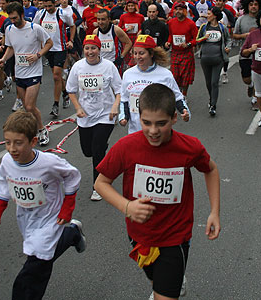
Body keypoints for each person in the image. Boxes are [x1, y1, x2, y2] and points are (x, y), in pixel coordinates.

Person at [94, 83, 221, 300]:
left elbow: (211, 169)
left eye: (161, 124)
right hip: (140, 234)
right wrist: (126, 206)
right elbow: (101, 183)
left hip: (175, 235)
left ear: (174, 118)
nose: (153, 131)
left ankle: (169, 286)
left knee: (164, 291)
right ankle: (169, 283)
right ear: (138, 117)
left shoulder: (189, 147)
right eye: (146, 123)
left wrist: (214, 212)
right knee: (154, 277)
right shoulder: (126, 147)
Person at [0, 111, 86, 299]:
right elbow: (3, 181)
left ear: (33, 142)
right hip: (26, 217)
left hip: (50, 217)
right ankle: (71, 233)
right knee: (40, 253)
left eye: (18, 143)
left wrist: (68, 206)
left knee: (36, 263)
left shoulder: (48, 162)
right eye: (7, 142)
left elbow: (72, 175)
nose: (11, 148)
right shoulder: (7, 161)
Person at [66, 35, 121, 201]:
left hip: (105, 115)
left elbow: (119, 90)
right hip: (86, 115)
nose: (90, 52)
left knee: (97, 151)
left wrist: (115, 106)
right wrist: (77, 108)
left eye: (93, 48)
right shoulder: (78, 67)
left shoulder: (109, 66)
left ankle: (98, 186)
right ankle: (101, 146)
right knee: (87, 151)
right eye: (87, 48)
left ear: (99, 49)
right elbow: (71, 90)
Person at [0, 2, 53, 147]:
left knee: (29, 106)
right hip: (20, 72)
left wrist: (38, 55)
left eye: (15, 18)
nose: (13, 21)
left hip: (34, 71)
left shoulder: (35, 28)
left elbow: (49, 43)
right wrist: (3, 59)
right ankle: (32, 132)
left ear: (22, 15)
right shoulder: (9, 29)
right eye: (10, 18)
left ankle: (42, 130)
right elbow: (11, 48)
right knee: (27, 108)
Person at [119, 34, 189, 135]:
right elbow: (124, 100)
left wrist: (184, 111)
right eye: (135, 53)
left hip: (158, 131)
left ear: (151, 54)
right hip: (135, 130)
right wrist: (123, 117)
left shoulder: (165, 74)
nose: (138, 57)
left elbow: (177, 97)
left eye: (141, 53)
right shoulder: (128, 74)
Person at [33, 0, 75, 118]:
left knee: (57, 75)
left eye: (50, 6)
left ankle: (55, 105)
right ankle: (65, 93)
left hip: (60, 48)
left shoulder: (63, 13)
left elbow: (72, 26)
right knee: (56, 76)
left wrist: (71, 40)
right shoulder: (40, 14)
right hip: (47, 49)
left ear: (55, 4)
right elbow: (34, 28)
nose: (47, 8)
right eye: (45, 6)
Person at [196, 7, 230, 116]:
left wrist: (227, 48)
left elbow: (228, 39)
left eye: (209, 14)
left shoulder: (222, 27)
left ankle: (213, 105)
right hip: (205, 58)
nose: (207, 15)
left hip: (218, 58)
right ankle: (211, 98)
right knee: (208, 83)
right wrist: (203, 38)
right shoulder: (204, 27)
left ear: (214, 15)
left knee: (214, 82)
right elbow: (196, 40)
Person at [233, 0, 261, 110]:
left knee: (257, 76)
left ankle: (255, 99)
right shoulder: (241, 19)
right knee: (247, 78)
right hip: (245, 53)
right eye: (251, 4)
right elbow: (234, 35)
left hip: (260, 53)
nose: (254, 7)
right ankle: (250, 86)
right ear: (247, 6)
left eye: (256, 4)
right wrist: (243, 35)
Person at [166, 3, 198, 97]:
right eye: (176, 9)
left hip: (186, 53)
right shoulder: (171, 22)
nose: (178, 11)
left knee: (185, 76)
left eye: (180, 9)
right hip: (175, 53)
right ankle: (177, 92)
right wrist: (168, 42)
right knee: (175, 76)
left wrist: (188, 44)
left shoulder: (191, 24)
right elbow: (170, 35)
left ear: (185, 11)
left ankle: (184, 94)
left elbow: (196, 39)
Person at [93, 8, 132, 75]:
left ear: (109, 19)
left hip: (115, 63)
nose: (100, 22)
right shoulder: (95, 32)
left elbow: (129, 43)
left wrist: (121, 57)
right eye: (98, 19)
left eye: (103, 19)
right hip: (101, 63)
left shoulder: (116, 30)